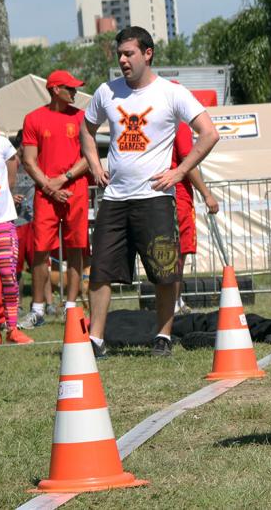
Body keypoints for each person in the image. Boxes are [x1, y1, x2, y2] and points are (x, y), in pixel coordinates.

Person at [80, 26, 220, 358]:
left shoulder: (171, 93)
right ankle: (95, 340)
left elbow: (209, 133)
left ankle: (163, 336)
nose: (123, 60)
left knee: (164, 270)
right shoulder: (106, 92)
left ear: (147, 53)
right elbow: (86, 129)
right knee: (100, 270)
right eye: (119, 54)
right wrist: (95, 165)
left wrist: (180, 172)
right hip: (115, 197)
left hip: (155, 197)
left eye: (129, 53)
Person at [19, 70, 90, 328]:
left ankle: (71, 306)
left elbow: (89, 156)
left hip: (75, 189)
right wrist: (50, 187)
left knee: (76, 248)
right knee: (40, 250)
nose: (75, 92)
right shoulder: (33, 118)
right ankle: (37, 309)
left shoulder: (82, 117)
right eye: (70, 88)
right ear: (55, 90)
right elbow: (29, 160)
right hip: (46, 193)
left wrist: (64, 178)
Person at [0, 130, 33, 346]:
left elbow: (13, 166)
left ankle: (12, 329)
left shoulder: (2, 142)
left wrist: (7, 191)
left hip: (3, 219)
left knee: (8, 273)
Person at [171, 121, 219, 314]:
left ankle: (176, 300)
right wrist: (206, 194)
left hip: (161, 193)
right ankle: (173, 302)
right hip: (177, 195)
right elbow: (187, 162)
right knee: (177, 252)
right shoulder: (179, 126)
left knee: (170, 252)